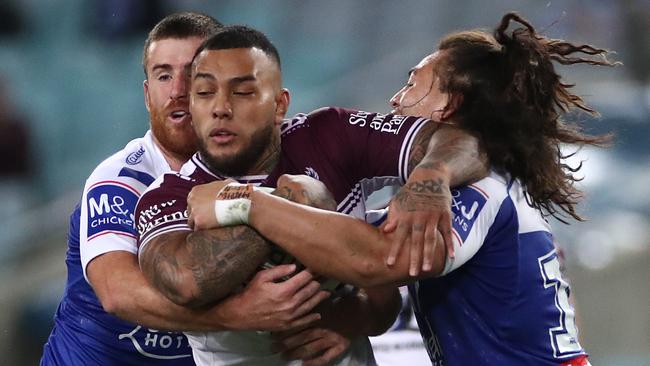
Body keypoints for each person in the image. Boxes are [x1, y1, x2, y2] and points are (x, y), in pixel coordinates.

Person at [187, 12, 616, 365]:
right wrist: (350, 316)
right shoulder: (483, 183)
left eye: (413, 83)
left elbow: (378, 259)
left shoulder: (479, 189)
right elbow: (345, 235)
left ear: (450, 106)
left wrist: (246, 203)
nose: (396, 100)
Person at [134, 25, 487, 365]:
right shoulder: (170, 194)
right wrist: (295, 203)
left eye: (242, 92)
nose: (221, 108)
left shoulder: (328, 135)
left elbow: (463, 142)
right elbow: (185, 282)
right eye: (205, 92)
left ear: (279, 105)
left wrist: (432, 175)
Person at [41, 13, 327, 366]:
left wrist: (344, 320)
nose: (177, 91)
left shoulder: (273, 171)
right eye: (163, 75)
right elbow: (117, 293)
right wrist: (237, 314)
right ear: (147, 95)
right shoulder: (120, 180)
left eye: (192, 73)